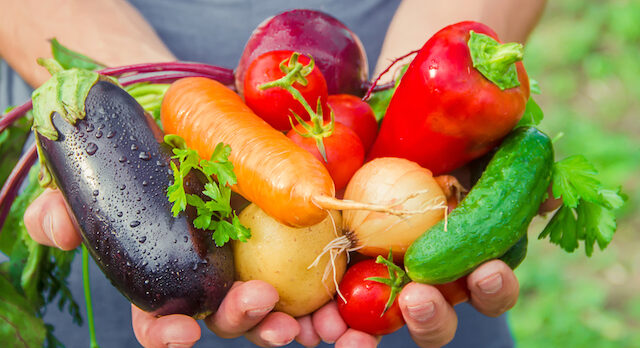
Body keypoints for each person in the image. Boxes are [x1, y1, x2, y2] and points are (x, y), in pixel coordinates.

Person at [0, 0, 548, 346]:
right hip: (143, 213)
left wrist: (441, 86)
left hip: (391, 264)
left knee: (428, 306)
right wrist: (123, 127)